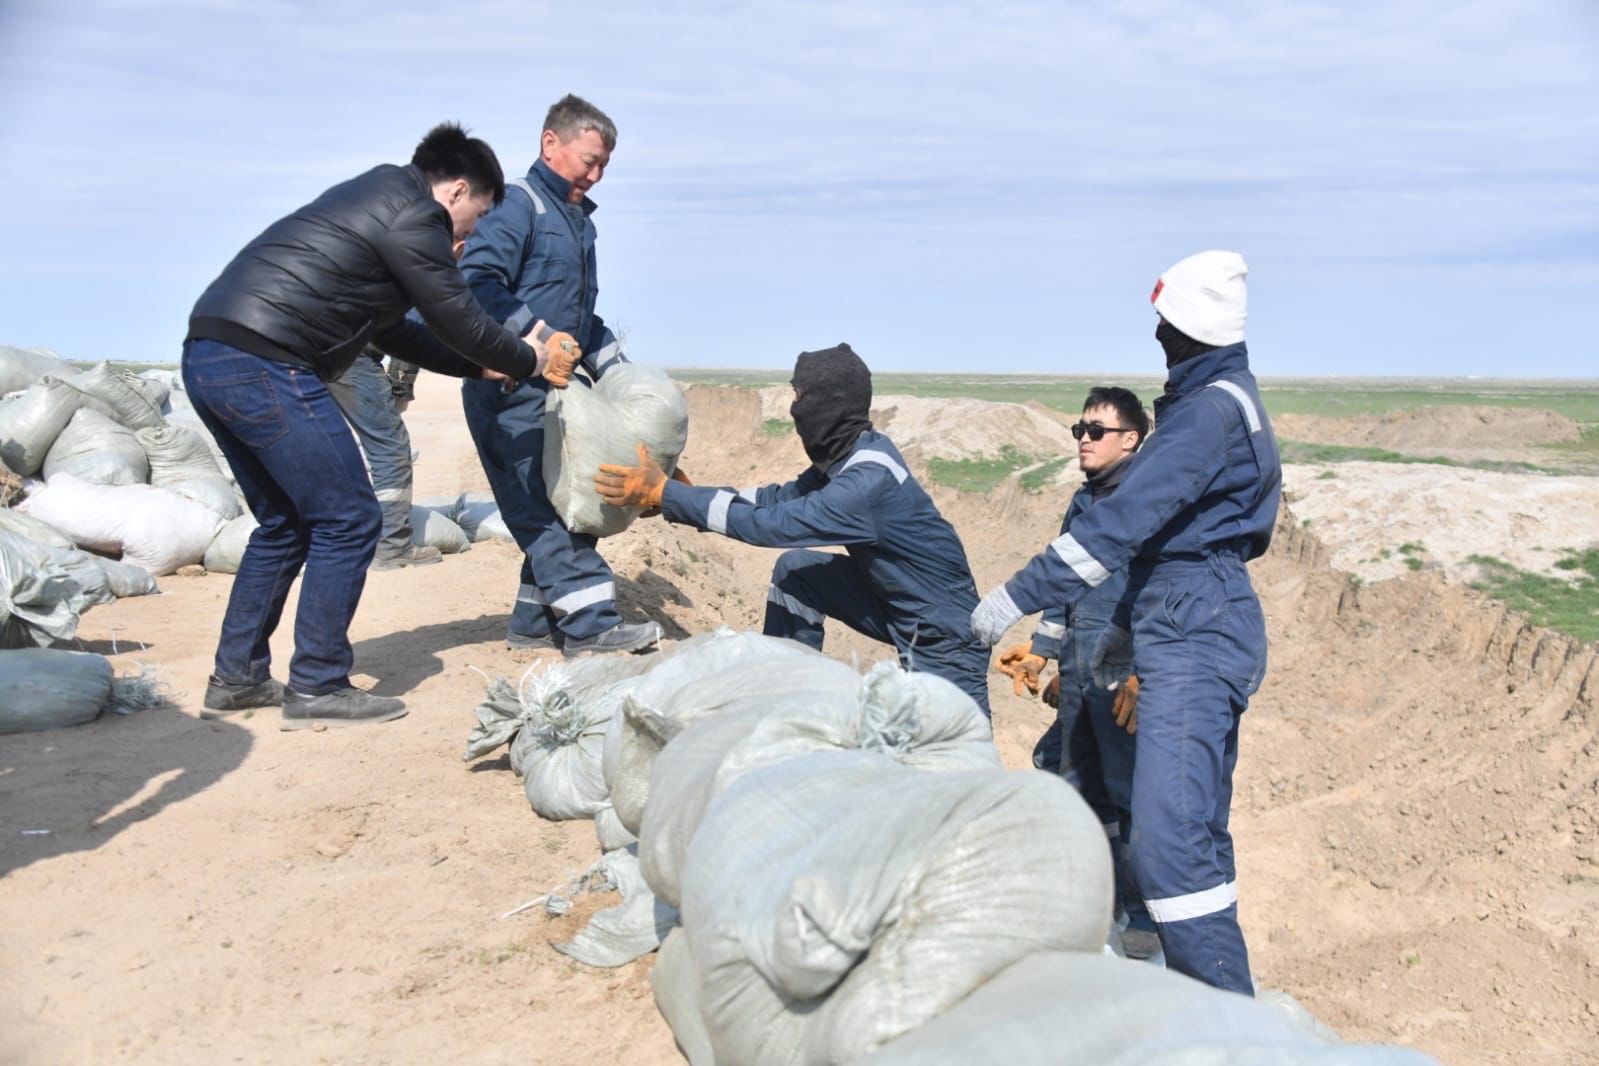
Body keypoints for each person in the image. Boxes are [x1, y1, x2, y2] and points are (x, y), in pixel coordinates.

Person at [184, 122, 576, 729]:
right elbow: (457, 315)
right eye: (475, 219)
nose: (469, 235)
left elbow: (400, 334)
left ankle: (237, 678)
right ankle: (318, 683)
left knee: (286, 523)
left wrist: (484, 366)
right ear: (458, 190)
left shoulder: (379, 204)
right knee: (349, 516)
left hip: (214, 353)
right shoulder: (416, 214)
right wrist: (529, 358)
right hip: (266, 360)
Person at [969, 251, 1280, 995]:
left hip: (1194, 618)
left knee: (1168, 842)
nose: (1158, 337)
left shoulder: (1205, 414)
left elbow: (1117, 530)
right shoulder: (1212, 403)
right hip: (1189, 609)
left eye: (1165, 323)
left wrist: (1010, 599)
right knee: (1188, 830)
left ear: (1189, 327)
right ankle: (1207, 994)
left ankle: (1220, 1015)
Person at [595, 343, 993, 716]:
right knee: (797, 573)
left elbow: (773, 525)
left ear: (829, 403)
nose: (793, 409)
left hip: (944, 636)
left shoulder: (865, 484)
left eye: (799, 396)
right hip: (894, 604)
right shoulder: (853, 455)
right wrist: (689, 495)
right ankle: (784, 696)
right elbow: (777, 500)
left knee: (955, 747)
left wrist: (668, 495)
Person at [459, 94, 661, 656]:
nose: (596, 176)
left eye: (604, 167)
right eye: (589, 161)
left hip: (556, 392)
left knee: (565, 501)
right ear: (551, 143)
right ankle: (592, 625)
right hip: (509, 388)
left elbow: (579, 319)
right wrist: (538, 336)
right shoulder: (517, 206)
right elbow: (477, 284)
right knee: (542, 511)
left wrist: (620, 372)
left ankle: (532, 621)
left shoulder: (577, 224)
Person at [994, 385, 1155, 954]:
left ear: (1131, 439)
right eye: (1079, 429)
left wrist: (1146, 672)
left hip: (1120, 673)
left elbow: (1156, 594)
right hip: (1082, 667)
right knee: (1071, 779)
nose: (1084, 439)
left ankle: (1143, 920)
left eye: (1096, 431)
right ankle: (1096, 901)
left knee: (1127, 793)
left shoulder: (1145, 504)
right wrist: (1044, 650)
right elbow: (1065, 582)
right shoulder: (1085, 502)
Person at [326, 348, 436, 570]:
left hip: (300, 354)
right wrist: (401, 387)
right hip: (350, 358)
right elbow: (407, 342)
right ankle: (393, 547)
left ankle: (316, 541)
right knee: (390, 448)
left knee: (318, 444)